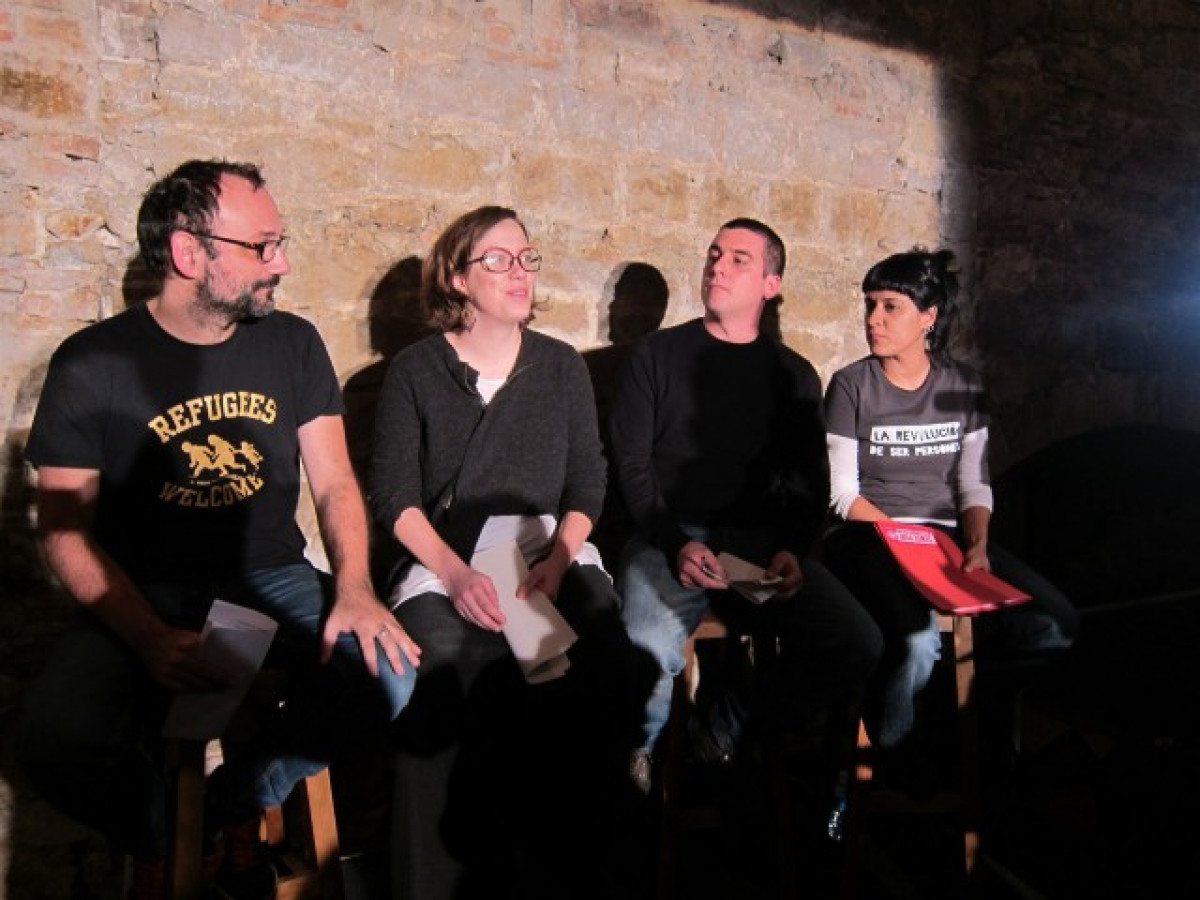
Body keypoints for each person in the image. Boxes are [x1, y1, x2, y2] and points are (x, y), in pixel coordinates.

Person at [18, 159, 420, 899]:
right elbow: (63, 532)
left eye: (280, 243)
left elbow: (334, 481)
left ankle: (226, 808)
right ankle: (164, 832)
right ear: (188, 252)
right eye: (262, 246)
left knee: (389, 672)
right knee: (54, 739)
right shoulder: (93, 363)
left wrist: (357, 590)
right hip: (140, 588)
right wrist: (147, 637)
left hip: (269, 576)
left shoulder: (292, 343)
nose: (282, 263)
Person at [369, 206, 647, 900]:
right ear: (456, 278)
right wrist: (456, 574)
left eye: (526, 258)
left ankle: (573, 868)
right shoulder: (415, 372)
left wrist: (560, 558)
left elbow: (588, 481)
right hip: (446, 558)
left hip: (546, 550)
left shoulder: (560, 366)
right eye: (496, 260)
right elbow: (395, 497)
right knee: (445, 678)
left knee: (606, 667)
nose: (518, 272)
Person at [609, 217, 883, 793]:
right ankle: (641, 764)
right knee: (646, 647)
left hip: (754, 548)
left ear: (770, 284)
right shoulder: (656, 355)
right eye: (714, 254)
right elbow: (631, 467)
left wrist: (792, 550)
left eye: (739, 259)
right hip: (669, 535)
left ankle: (723, 729)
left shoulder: (793, 375)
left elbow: (809, 483)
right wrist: (675, 543)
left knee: (856, 640)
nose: (719, 266)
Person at [821, 247, 1078, 764]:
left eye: (890, 307)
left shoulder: (962, 385)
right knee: (917, 644)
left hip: (946, 538)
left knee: (1053, 624)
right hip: (870, 536)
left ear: (928, 317)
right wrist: (906, 543)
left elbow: (973, 484)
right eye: (870, 305)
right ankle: (891, 757)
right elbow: (842, 494)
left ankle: (950, 718)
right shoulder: (852, 385)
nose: (874, 319)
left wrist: (977, 546)